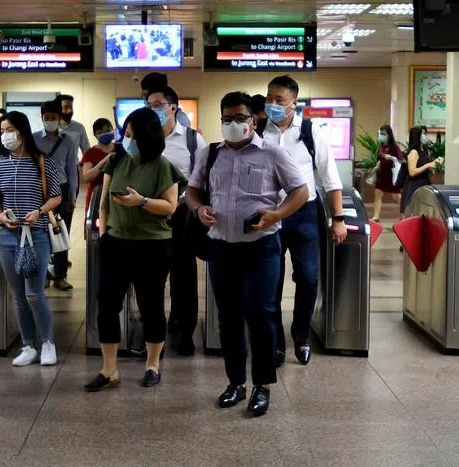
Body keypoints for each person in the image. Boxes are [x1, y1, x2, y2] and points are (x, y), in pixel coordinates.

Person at [184, 92, 309, 417]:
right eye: (226, 119)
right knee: (228, 318)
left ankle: (262, 386)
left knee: (260, 313)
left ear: (254, 121)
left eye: (239, 118)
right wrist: (198, 209)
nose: (232, 124)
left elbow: (301, 191)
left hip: (262, 249)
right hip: (222, 247)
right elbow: (192, 191)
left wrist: (276, 215)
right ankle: (235, 382)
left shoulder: (273, 153)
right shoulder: (209, 153)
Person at [85, 107, 183, 391]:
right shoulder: (116, 160)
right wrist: (104, 235)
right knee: (107, 306)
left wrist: (141, 201)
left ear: (148, 137)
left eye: (132, 136)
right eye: (125, 134)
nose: (125, 140)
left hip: (153, 245)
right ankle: (109, 369)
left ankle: (152, 365)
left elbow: (170, 207)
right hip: (116, 243)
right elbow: (103, 201)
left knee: (150, 306)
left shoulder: (163, 166)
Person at [260, 75, 345, 367]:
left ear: (294, 103)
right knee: (270, 280)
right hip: (269, 215)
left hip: (304, 215)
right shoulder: (258, 131)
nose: (272, 104)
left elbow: (330, 179)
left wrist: (339, 219)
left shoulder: (311, 133)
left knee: (308, 277)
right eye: (269, 98)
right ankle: (275, 342)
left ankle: (301, 333)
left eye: (279, 100)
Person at [0, 111, 62, 367]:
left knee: (34, 293)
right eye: (3, 130)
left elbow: (56, 196)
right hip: (8, 237)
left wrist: (39, 211)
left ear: (22, 131)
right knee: (18, 295)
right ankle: (28, 345)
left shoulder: (42, 162)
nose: (5, 135)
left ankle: (48, 343)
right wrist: (0, 217)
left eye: (10, 130)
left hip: (36, 235)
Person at [146, 85, 205, 355]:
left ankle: (185, 330)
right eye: (150, 105)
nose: (154, 109)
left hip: (182, 215)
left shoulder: (193, 140)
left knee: (184, 276)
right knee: (152, 276)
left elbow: (203, 178)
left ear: (173, 107)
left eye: (158, 104)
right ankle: (152, 331)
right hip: (148, 214)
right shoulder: (142, 139)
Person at [35, 100, 78, 291]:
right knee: (40, 233)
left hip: (61, 189)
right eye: (47, 118)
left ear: (59, 118)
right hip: (40, 192)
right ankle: (43, 274)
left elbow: (71, 169)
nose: (50, 121)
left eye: (54, 117)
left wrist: (73, 195)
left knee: (62, 233)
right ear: (42, 118)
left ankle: (61, 275)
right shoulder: (34, 139)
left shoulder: (68, 140)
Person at [400, 127, 441, 213]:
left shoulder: (423, 150)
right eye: (422, 134)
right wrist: (427, 165)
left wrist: (433, 162)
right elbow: (412, 172)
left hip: (423, 184)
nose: (425, 136)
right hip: (414, 186)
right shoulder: (414, 152)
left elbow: (422, 165)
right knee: (413, 213)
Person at [80, 118, 117, 210]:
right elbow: (86, 177)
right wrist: (106, 159)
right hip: (97, 195)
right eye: (100, 132)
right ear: (95, 135)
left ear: (113, 130)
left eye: (108, 131)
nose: (105, 134)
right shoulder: (90, 153)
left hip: (117, 196)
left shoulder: (120, 148)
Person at [372, 125, 403, 222]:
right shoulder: (381, 146)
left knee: (396, 196)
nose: (381, 136)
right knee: (377, 193)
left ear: (389, 135)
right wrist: (377, 165)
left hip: (391, 175)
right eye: (380, 133)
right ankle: (376, 216)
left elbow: (400, 160)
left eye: (383, 134)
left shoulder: (394, 147)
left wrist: (391, 158)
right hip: (382, 174)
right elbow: (380, 158)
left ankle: (404, 214)